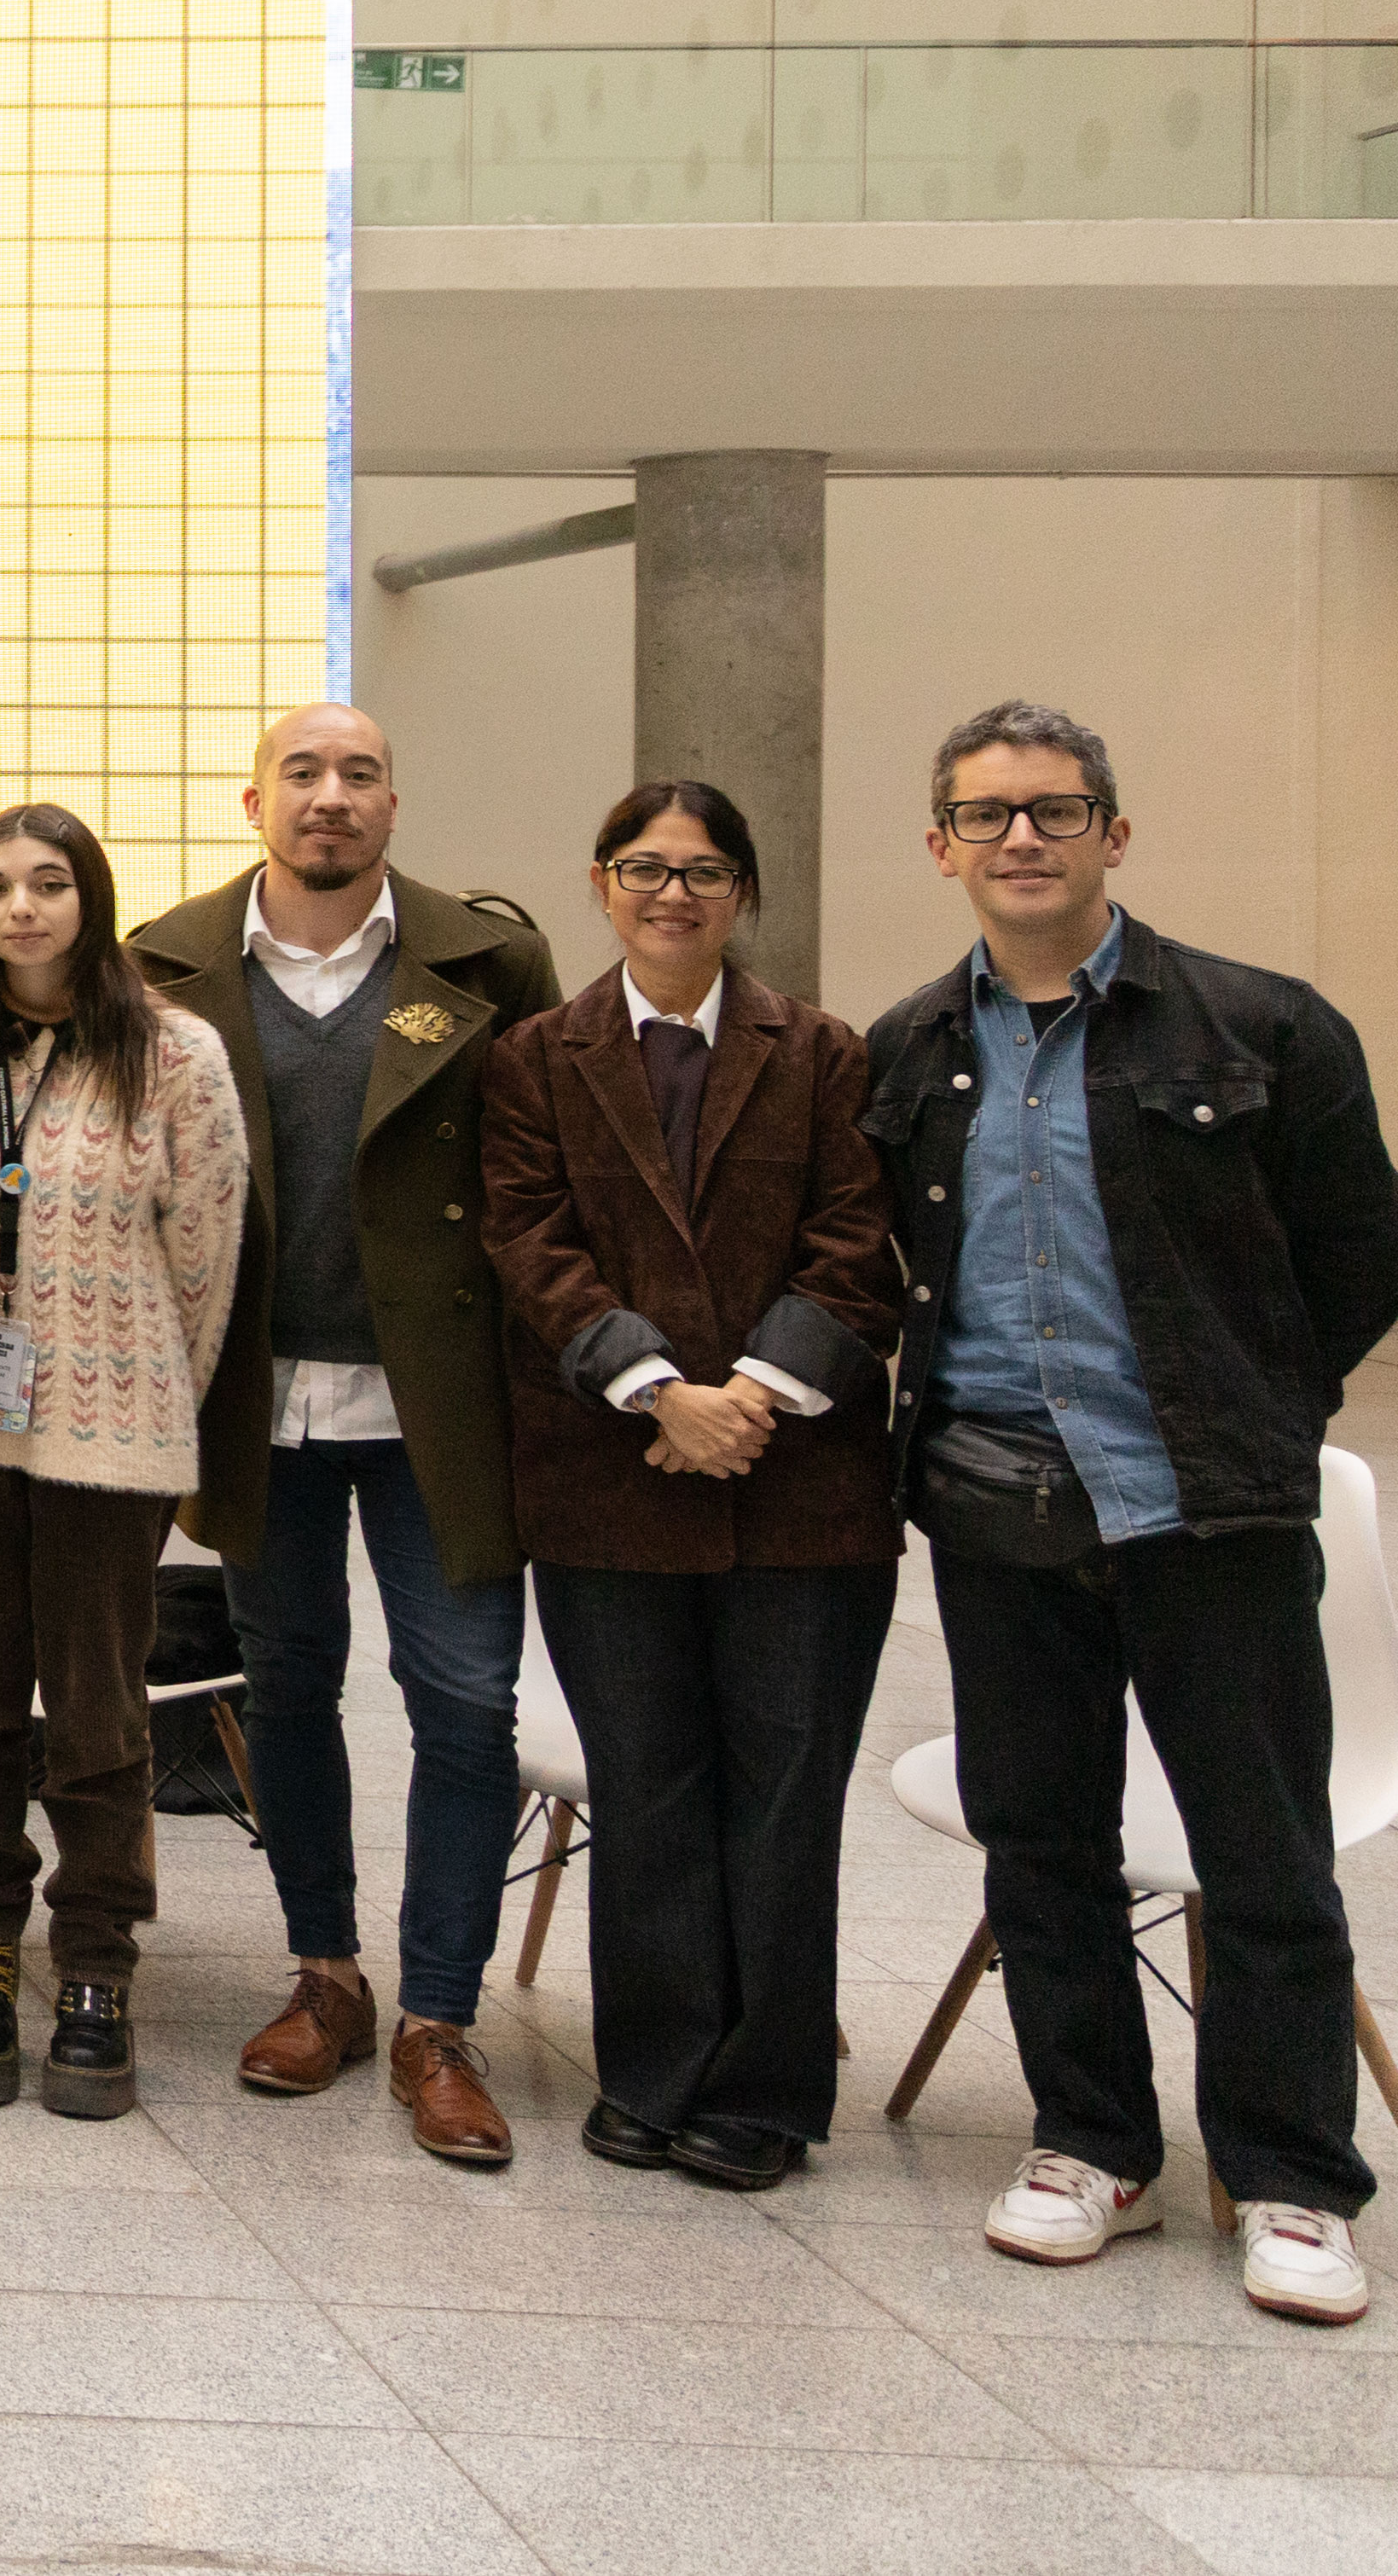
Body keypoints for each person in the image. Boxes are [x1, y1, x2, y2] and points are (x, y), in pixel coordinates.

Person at [867, 701, 1398, 2321]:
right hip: (993, 1505)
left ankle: (1291, 2178)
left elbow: (1356, 1256)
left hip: (1204, 1513)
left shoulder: (1262, 1028)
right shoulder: (909, 1047)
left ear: (1113, 832)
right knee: (1040, 1844)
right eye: (986, 814)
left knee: (1262, 1856)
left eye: (1053, 808)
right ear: (940, 846)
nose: (1018, 837)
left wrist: (1255, 1411)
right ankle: (1088, 2143)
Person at [129, 702, 560, 2166]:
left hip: (436, 1400)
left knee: (462, 1703)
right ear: (251, 800)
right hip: (256, 1396)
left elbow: (534, 1177)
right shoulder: (165, 962)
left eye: (358, 775)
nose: (329, 800)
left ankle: (438, 2019)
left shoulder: (485, 962)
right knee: (287, 1686)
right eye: (301, 776)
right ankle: (324, 1974)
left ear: (393, 800)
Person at [477, 780, 898, 2191]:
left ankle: (765, 2089)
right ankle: (651, 2072)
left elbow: (856, 1248)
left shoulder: (821, 1052)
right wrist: (658, 1391)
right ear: (600, 885)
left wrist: (748, 1402)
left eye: (705, 870)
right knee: (648, 1785)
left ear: (742, 895)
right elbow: (527, 1244)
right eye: (645, 868)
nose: (673, 893)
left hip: (803, 1491)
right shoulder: (536, 1056)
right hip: (611, 1479)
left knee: (783, 1791)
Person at [0, 805, 248, 2119]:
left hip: (114, 1438)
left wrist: (151, 1403)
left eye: (49, 884)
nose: (23, 909)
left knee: (97, 1714)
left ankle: (95, 1964)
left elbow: (208, 1259)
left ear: (91, 900)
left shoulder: (174, 1053)